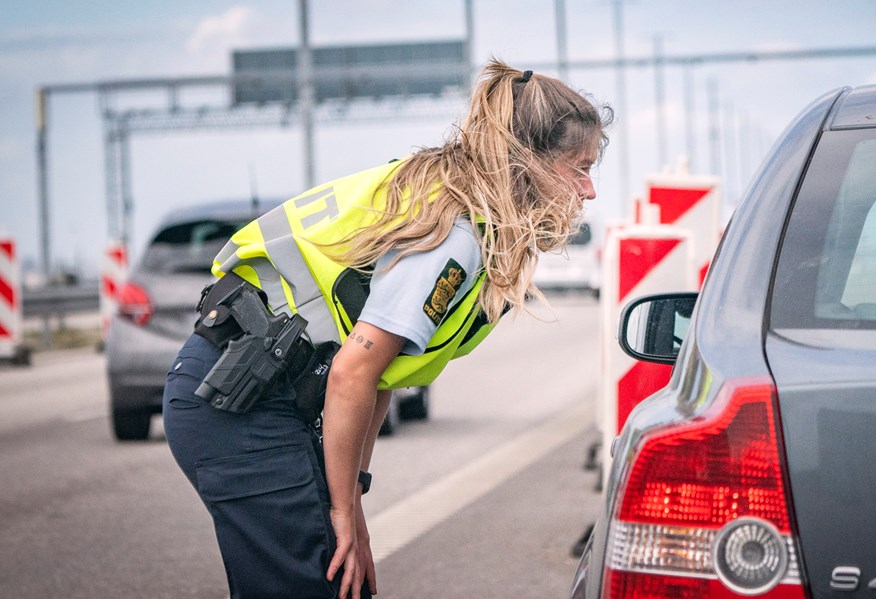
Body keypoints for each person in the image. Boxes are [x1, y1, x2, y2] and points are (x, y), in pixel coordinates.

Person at [162, 58, 611, 599]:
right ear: (527, 161)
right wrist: (342, 512)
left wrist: (350, 503)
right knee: (315, 585)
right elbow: (353, 374)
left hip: (259, 389)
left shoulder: (455, 202)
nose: (588, 191)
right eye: (578, 168)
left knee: (340, 583)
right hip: (237, 399)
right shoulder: (458, 233)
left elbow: (377, 378)